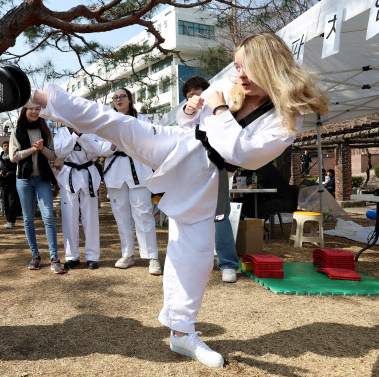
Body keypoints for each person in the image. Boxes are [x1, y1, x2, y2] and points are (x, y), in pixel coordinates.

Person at [31, 32, 329, 367]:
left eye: (247, 68)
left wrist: (216, 107)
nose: (240, 75)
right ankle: (33, 93)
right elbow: (188, 121)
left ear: (270, 66)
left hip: (208, 178)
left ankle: (181, 332)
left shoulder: (288, 116)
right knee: (115, 123)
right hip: (180, 144)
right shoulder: (231, 88)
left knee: (196, 257)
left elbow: (241, 152)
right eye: (237, 67)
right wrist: (190, 108)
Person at [98, 88, 162, 276]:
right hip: (116, 172)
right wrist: (112, 144)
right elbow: (99, 146)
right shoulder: (107, 121)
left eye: (122, 96)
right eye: (115, 97)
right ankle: (127, 254)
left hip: (138, 171)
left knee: (143, 214)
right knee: (121, 215)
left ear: (130, 99)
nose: (119, 100)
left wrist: (128, 141)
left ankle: (152, 256)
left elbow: (150, 141)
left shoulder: (142, 119)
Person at [182, 76, 239, 283]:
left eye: (199, 93)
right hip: (191, 170)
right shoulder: (186, 114)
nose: (195, 98)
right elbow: (182, 124)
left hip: (218, 168)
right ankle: (195, 262)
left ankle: (228, 263)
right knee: (190, 217)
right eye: (190, 95)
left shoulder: (220, 111)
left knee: (220, 216)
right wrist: (189, 109)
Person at [10, 102, 66, 274]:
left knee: (48, 216)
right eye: (31, 109)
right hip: (24, 180)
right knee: (28, 219)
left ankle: (54, 258)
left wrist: (42, 149)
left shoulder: (45, 131)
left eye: (37, 109)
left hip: (42, 179)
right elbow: (13, 157)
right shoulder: (16, 131)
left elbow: (53, 155)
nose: (34, 111)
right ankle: (35, 256)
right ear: (24, 111)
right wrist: (31, 150)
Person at [54, 125, 102, 270]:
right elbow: (61, 153)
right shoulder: (62, 132)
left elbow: (95, 153)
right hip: (69, 175)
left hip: (88, 175)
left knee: (91, 218)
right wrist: (75, 136)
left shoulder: (91, 130)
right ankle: (71, 256)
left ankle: (92, 256)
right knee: (69, 218)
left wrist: (82, 135)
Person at [0, 140, 21, 229]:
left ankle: (11, 220)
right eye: (4, 146)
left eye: (8, 146)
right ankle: (8, 220)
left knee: (12, 201)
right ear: (2, 147)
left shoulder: (13, 158)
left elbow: (17, 169)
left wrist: (10, 174)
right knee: (6, 202)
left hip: (12, 183)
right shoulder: (0, 159)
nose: (6, 147)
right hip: (3, 184)